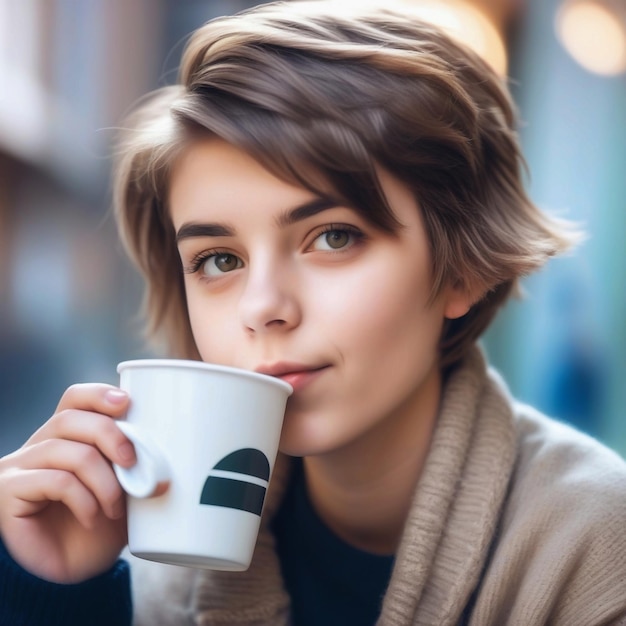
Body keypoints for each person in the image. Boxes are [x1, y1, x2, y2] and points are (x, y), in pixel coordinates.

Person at [1, 1, 625, 624]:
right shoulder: (162, 560)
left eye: (333, 237)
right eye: (219, 260)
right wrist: (55, 592)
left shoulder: (594, 546)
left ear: (462, 266)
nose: (264, 307)